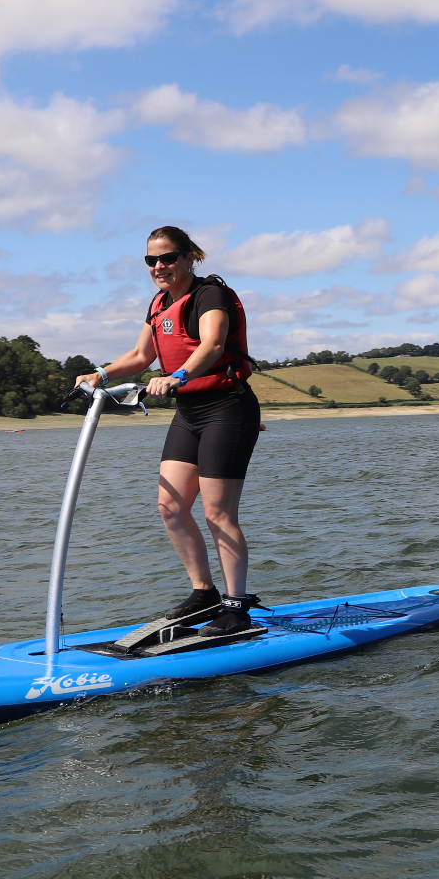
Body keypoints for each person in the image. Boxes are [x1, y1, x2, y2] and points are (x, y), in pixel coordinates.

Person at [77, 226, 262, 635]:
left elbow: (212, 345)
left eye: (168, 258)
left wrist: (176, 375)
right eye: (151, 260)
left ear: (189, 257)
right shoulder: (159, 302)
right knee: (171, 506)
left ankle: (236, 606)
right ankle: (204, 593)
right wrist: (100, 373)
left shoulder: (209, 295)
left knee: (217, 512)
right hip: (189, 412)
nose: (159, 267)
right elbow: (142, 355)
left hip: (227, 406)